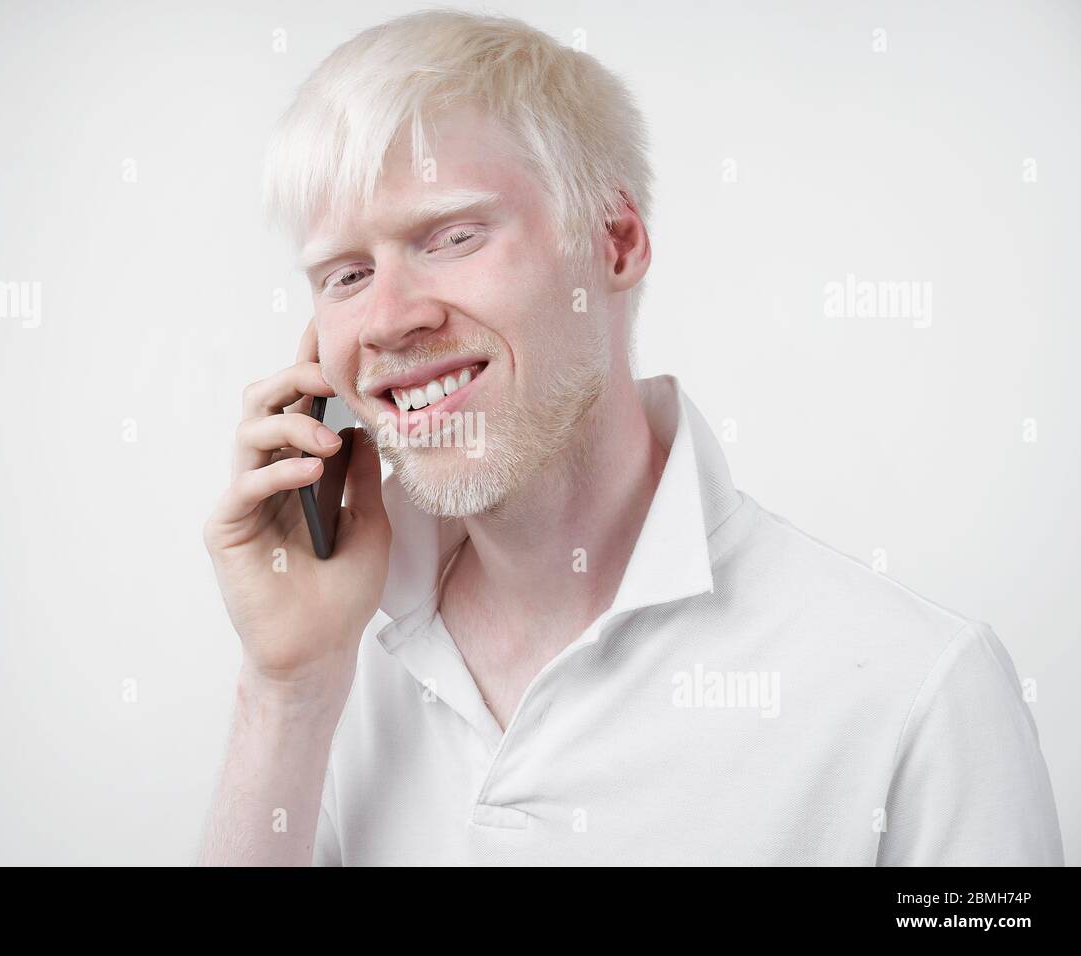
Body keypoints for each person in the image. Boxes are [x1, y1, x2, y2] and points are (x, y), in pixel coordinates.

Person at [199, 9, 1064, 866]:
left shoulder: (919, 690)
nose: (387, 320)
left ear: (614, 243)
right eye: (346, 275)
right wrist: (287, 692)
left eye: (454, 236)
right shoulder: (331, 651)